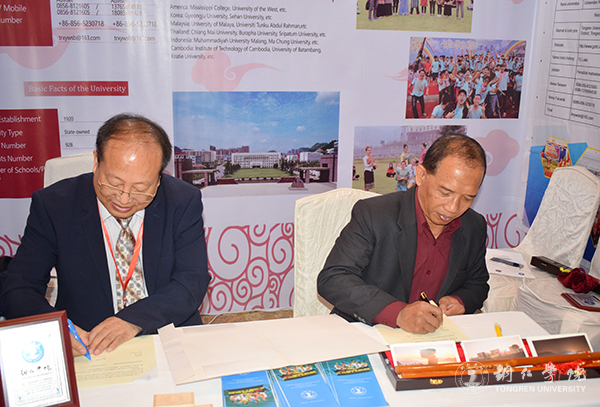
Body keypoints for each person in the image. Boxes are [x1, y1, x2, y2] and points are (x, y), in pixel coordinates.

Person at [0, 113, 211, 357]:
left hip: (169, 337)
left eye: (141, 188)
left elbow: (192, 281)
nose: (124, 199)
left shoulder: (182, 200)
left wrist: (132, 320)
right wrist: (56, 329)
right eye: (114, 183)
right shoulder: (55, 205)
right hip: (90, 346)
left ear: (159, 177)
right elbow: (19, 287)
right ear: (96, 161)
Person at [317, 134, 489, 334]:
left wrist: (460, 300)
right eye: (445, 193)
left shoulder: (474, 226)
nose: (453, 208)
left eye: (467, 198)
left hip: (433, 339)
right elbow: (334, 278)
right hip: (368, 332)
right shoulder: (375, 214)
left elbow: (477, 284)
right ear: (421, 175)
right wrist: (397, 313)